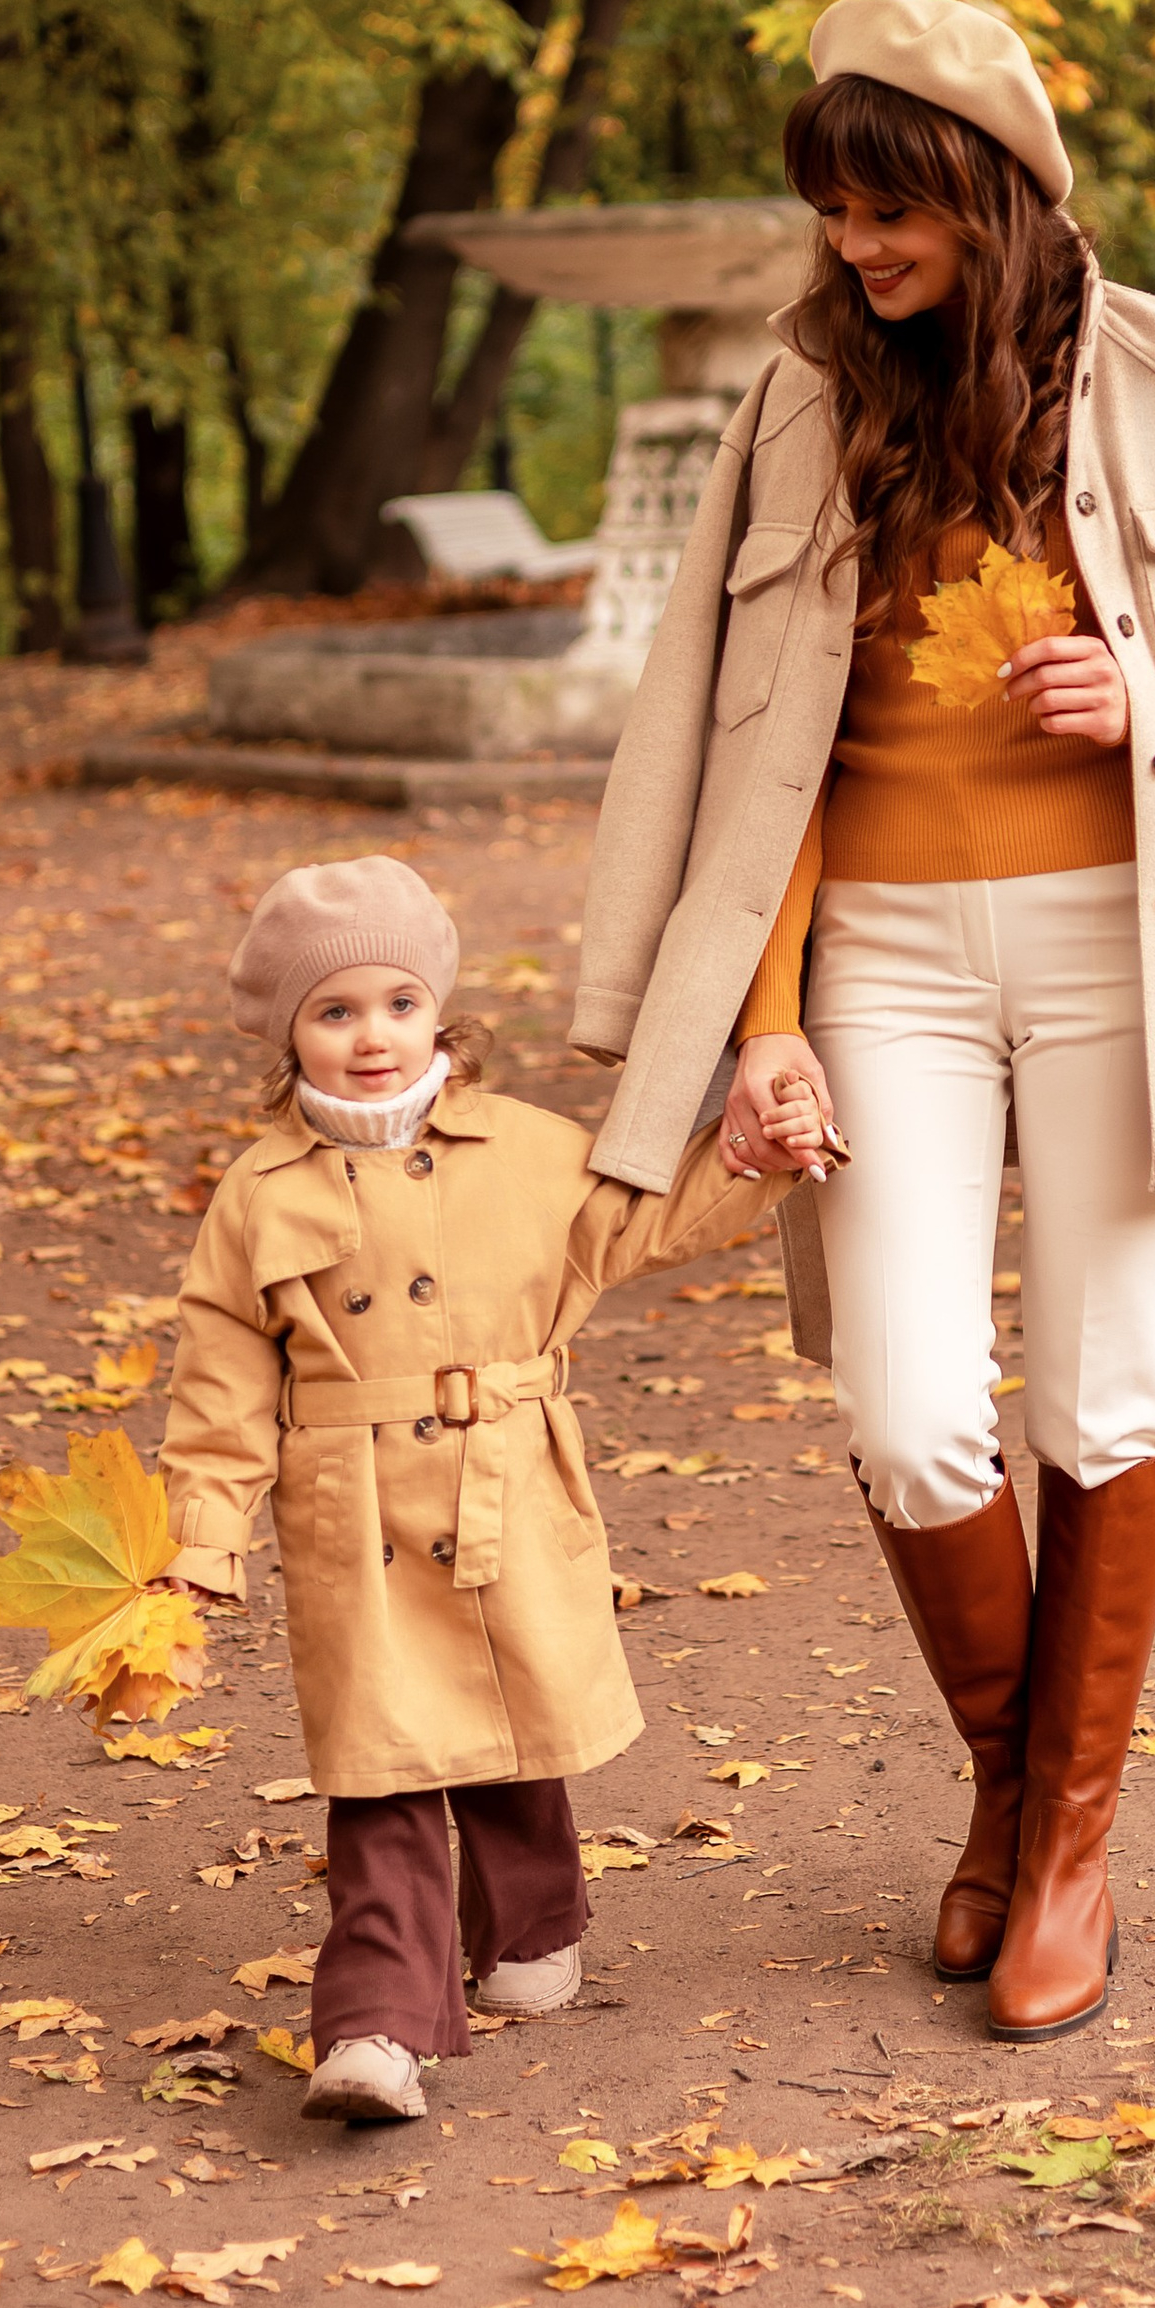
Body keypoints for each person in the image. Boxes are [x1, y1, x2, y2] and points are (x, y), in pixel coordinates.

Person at [573, 0, 1155, 2045]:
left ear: (991, 189)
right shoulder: (803, 402)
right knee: (906, 1409)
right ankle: (1013, 1784)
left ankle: (1060, 1854)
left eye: (889, 208)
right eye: (832, 210)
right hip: (881, 957)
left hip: (1128, 944)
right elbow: (750, 745)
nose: (853, 245)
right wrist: (763, 1016)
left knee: (1102, 1396)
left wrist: (1149, 703)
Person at [150, 855, 804, 2126]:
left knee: (511, 1713)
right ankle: (376, 2026)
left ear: (439, 1012)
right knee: (382, 1759)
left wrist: (755, 1151)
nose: (372, 1037)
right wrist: (202, 1542)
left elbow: (642, 1221)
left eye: (398, 1004)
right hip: (351, 1505)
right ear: (287, 1035)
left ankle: (531, 1924)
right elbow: (220, 1385)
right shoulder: (257, 1196)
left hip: (505, 1472)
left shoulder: (527, 1148)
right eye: (334, 1012)